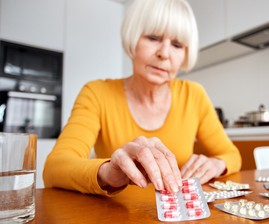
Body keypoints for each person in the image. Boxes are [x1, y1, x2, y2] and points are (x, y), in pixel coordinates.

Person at [43, 0, 241, 196]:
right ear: (133, 39)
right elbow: (54, 169)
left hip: (180, 221)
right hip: (114, 219)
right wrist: (107, 171)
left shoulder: (194, 95)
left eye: (177, 44)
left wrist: (217, 164)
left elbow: (232, 155)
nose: (164, 53)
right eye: (153, 37)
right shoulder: (96, 93)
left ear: (185, 54)